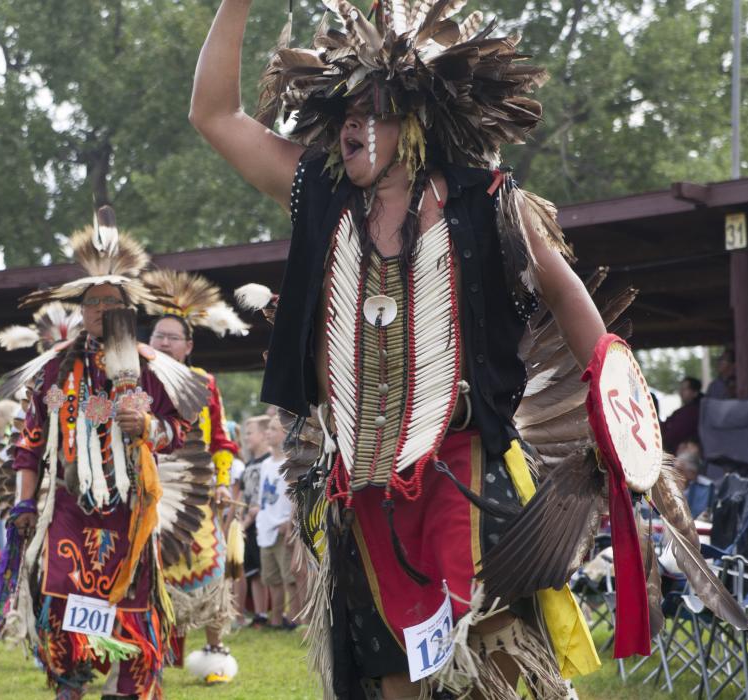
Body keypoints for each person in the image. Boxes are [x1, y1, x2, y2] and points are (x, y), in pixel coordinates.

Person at [192, 1, 614, 696]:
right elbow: (215, 116)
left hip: (464, 469)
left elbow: (565, 291)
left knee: (494, 659)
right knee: (395, 674)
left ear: (414, 122)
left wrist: (615, 405)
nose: (354, 124)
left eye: (374, 110)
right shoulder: (319, 192)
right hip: (364, 484)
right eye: (347, 111)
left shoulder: (488, 201)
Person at [1, 207, 210, 699]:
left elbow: (179, 431)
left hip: (131, 514)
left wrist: (150, 426)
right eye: (91, 302)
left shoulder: (151, 367)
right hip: (70, 512)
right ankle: (69, 688)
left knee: (132, 618)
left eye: (109, 301)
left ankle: (126, 690)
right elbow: (30, 442)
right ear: (80, 309)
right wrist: (25, 503)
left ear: (127, 308)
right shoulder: (54, 372)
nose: (99, 309)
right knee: (62, 607)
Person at [143, 268, 250, 685]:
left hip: (199, 492)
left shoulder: (203, 383)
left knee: (210, 565)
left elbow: (222, 440)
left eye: (172, 337)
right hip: (150, 489)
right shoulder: (136, 380)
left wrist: (222, 481)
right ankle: (152, 652)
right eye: (157, 335)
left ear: (188, 346)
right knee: (153, 571)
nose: (163, 342)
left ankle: (215, 651)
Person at [254, 412, 293, 630]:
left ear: (285, 433)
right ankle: (276, 619)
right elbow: (263, 497)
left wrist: (289, 522)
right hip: (266, 527)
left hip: (282, 526)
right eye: (267, 428)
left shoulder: (290, 462)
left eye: (273, 429)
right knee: (272, 579)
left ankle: (295, 618)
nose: (268, 432)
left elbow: (293, 495)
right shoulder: (265, 464)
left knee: (290, 578)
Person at [233, 415, 271, 627]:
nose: (246, 437)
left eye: (250, 432)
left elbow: (259, 499)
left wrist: (245, 523)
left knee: (260, 570)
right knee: (250, 569)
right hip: (247, 522)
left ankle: (262, 613)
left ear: (264, 435)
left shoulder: (267, 463)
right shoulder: (250, 464)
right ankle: (257, 613)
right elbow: (245, 495)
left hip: (259, 524)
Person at [662, 377, 703, 452]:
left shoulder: (693, 412)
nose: (681, 392)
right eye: (681, 389)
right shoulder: (681, 411)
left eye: (684, 389)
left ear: (695, 393)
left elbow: (674, 434)